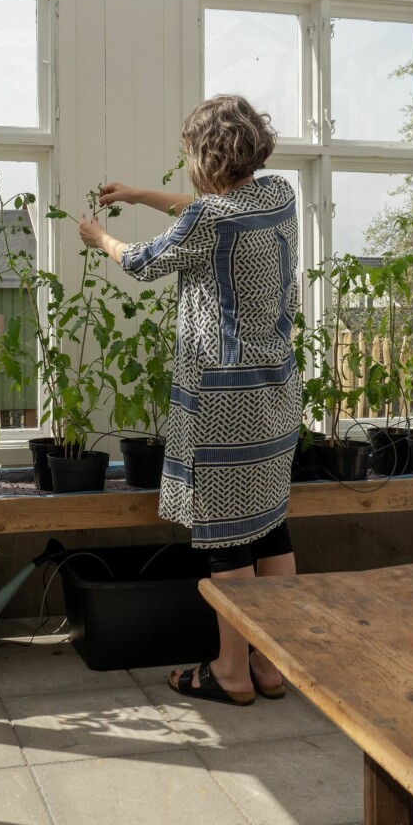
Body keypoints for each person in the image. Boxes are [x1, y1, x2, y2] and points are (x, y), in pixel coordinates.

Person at [78, 94, 302, 707]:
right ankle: (270, 666)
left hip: (225, 402)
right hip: (276, 390)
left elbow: (144, 261)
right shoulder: (278, 195)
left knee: (227, 536)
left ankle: (230, 672)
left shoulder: (210, 220)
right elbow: (210, 212)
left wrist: (101, 237)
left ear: (204, 156)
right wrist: (141, 195)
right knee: (270, 528)